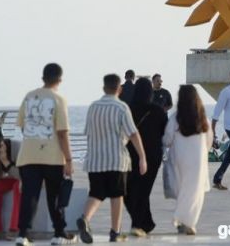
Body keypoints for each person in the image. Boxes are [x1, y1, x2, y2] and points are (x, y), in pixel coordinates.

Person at [76, 74, 147, 244]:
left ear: (103, 88)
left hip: (94, 160)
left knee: (96, 193)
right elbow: (133, 133)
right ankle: (115, 232)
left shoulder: (93, 107)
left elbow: (88, 133)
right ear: (119, 89)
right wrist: (142, 157)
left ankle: (85, 218)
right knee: (117, 195)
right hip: (116, 159)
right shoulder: (121, 107)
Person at [15, 63, 76, 246]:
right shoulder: (59, 99)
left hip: (28, 156)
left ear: (43, 78)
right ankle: (58, 234)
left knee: (29, 196)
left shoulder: (29, 97)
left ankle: (22, 234)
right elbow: (62, 132)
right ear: (60, 79)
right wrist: (69, 159)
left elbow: (23, 126)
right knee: (54, 197)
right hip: (52, 157)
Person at [162, 84, 212, 235]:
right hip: (198, 160)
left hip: (179, 159)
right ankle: (189, 222)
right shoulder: (204, 119)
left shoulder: (175, 118)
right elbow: (209, 141)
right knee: (195, 192)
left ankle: (182, 220)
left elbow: (167, 139)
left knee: (183, 190)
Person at [125, 77, 168, 237]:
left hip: (131, 154)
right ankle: (145, 223)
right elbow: (165, 132)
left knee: (129, 191)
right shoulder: (157, 111)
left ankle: (138, 224)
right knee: (143, 190)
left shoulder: (128, 109)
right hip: (152, 156)